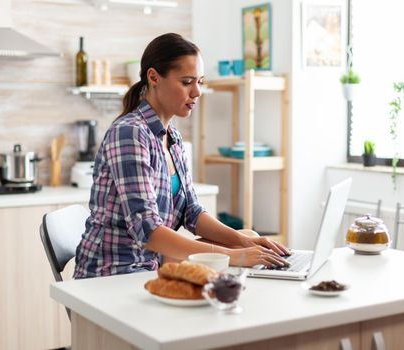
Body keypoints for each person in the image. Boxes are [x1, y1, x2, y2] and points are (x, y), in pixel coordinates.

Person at [74, 33, 290, 279]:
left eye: (199, 81)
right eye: (187, 82)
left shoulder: (171, 135)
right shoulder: (129, 133)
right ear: (154, 77)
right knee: (234, 263)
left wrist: (241, 242)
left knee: (249, 237)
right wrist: (233, 255)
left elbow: (192, 211)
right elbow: (149, 231)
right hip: (113, 274)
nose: (197, 92)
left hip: (151, 266)